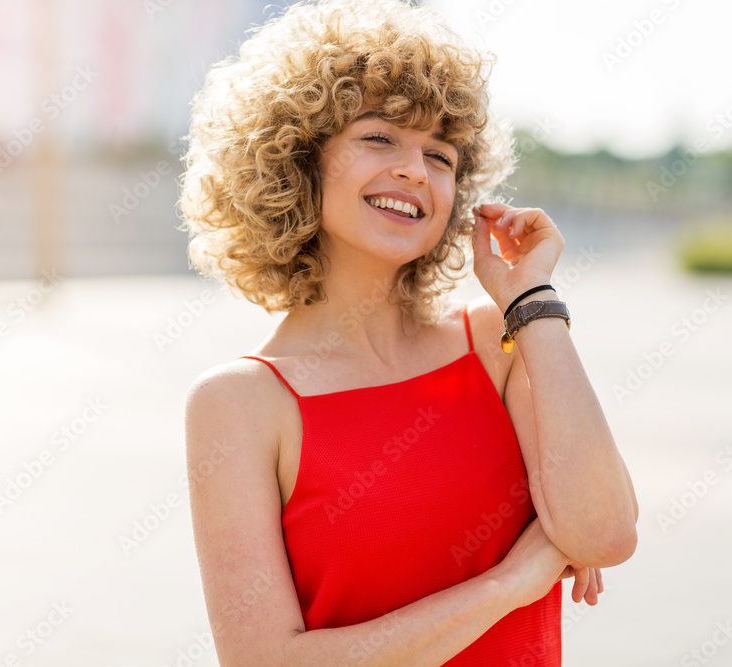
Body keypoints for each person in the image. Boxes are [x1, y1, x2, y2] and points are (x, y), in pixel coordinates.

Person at [180, 0, 639, 664]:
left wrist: (532, 297)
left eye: (441, 155)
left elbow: (605, 533)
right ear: (299, 158)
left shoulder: (499, 344)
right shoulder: (239, 403)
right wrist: (513, 581)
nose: (416, 172)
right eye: (379, 137)